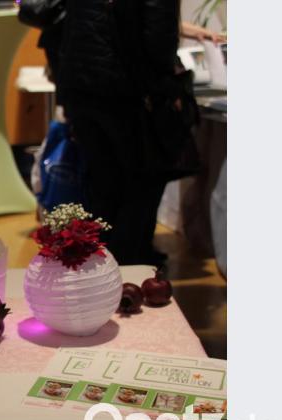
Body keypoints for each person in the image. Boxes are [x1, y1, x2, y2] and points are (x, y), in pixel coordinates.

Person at [58, 0, 184, 265]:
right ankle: (129, 272)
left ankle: (102, 270)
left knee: (104, 184)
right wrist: (167, 86)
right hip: (125, 91)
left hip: (81, 84)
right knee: (140, 184)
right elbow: (158, 38)